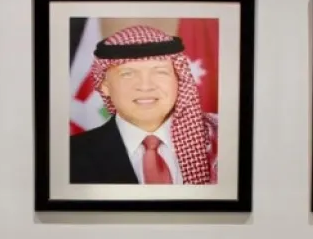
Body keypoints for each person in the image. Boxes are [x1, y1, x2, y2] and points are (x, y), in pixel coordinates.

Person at [69, 24, 218, 185]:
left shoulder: (220, 143)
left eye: (160, 72)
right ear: (105, 86)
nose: (145, 86)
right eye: (128, 74)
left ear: (179, 79)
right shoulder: (69, 156)